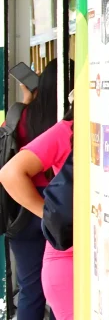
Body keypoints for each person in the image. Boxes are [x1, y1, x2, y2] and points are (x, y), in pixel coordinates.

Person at [0, 89, 75, 320]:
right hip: (56, 205)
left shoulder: (23, 116)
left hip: (33, 204)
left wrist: (26, 102)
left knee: (30, 288)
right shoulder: (69, 129)